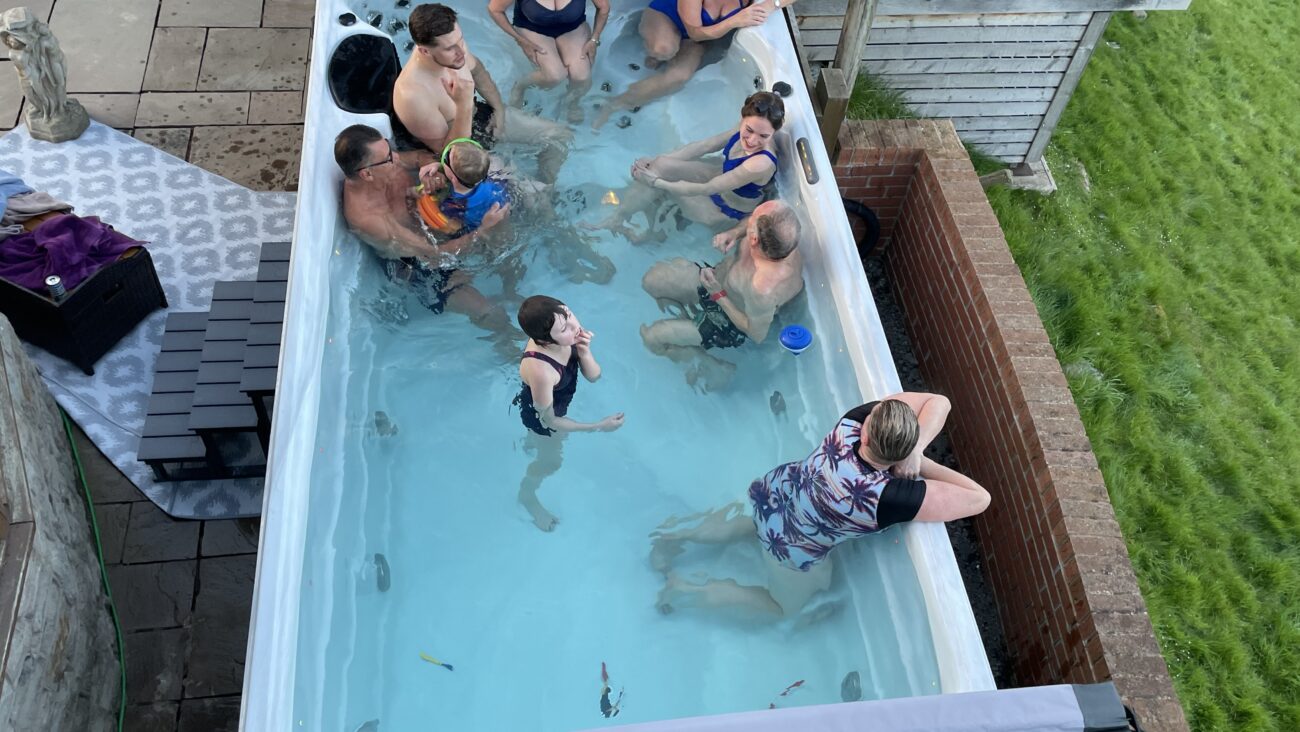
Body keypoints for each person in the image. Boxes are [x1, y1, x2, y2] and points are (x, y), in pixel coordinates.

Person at [650, 393, 991, 618]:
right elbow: (979, 498)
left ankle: (674, 538)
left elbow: (937, 400)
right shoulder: (888, 498)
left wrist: (909, 447)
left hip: (772, 497)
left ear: (867, 433)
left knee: (744, 525)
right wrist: (915, 455)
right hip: (791, 550)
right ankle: (687, 590)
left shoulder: (849, 425)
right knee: (782, 609)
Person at [334, 124, 519, 356]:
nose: (396, 158)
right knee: (487, 311)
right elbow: (435, 253)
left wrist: (430, 171)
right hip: (415, 263)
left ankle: (512, 290)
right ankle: (507, 345)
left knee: (504, 227)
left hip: (431, 226)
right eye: (388, 157)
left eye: (390, 150)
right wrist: (482, 230)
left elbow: (422, 157)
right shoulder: (371, 219)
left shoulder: (382, 163)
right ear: (367, 174)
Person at [394, 3, 573, 183]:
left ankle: (548, 184)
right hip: (462, 153)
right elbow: (448, 153)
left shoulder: (455, 50)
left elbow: (478, 72)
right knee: (531, 194)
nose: (461, 51)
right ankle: (538, 200)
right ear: (424, 50)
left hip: (479, 116)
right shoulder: (413, 94)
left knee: (559, 136)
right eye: (450, 48)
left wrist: (499, 109)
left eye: (461, 40)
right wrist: (463, 104)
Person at [640, 200, 802, 391]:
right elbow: (756, 222)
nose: (750, 217)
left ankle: (711, 364)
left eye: (754, 218)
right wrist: (734, 232)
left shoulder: (763, 288)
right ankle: (689, 319)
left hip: (727, 322)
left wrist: (717, 294)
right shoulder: (780, 237)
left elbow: (756, 334)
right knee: (651, 281)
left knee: (652, 338)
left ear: (754, 239)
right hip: (716, 283)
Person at [591, 91, 784, 239]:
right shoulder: (747, 123)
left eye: (763, 136)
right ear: (743, 119)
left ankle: (652, 229)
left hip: (722, 209)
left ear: (774, 132)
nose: (752, 140)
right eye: (748, 130)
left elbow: (706, 188)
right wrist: (655, 160)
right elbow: (706, 145)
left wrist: (656, 182)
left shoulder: (760, 163)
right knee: (659, 165)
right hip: (717, 176)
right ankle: (620, 216)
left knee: (657, 180)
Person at [513, 296, 625, 531]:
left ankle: (531, 442)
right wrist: (597, 426)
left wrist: (584, 352)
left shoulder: (565, 335)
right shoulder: (541, 370)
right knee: (551, 462)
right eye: (564, 328)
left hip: (553, 402)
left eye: (569, 313)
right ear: (544, 340)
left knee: (544, 444)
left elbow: (594, 376)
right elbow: (549, 419)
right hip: (543, 416)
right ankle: (528, 496)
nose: (575, 326)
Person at [591, 0, 775, 129]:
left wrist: (771, 4)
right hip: (667, 17)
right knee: (662, 49)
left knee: (678, 77)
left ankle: (619, 102)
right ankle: (652, 57)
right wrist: (735, 20)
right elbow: (695, 33)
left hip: (699, 38)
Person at [487, 0, 610, 123]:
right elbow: (495, 10)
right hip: (533, 28)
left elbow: (603, 8)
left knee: (581, 76)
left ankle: (573, 102)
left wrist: (594, 39)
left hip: (572, 27)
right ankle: (520, 86)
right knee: (554, 76)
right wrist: (520, 40)